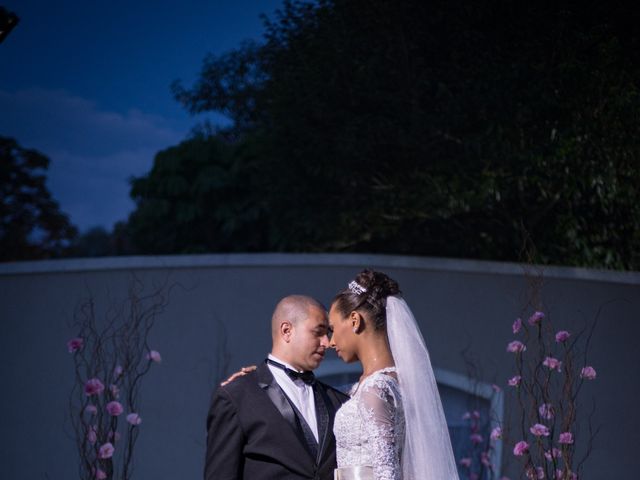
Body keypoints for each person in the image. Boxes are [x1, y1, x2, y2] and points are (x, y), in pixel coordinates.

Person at [329, 270, 459, 480]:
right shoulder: (393, 382)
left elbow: (387, 472)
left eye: (333, 329)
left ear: (355, 320)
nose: (331, 341)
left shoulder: (375, 389)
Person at [204, 295, 349, 480]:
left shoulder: (339, 400)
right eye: (318, 332)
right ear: (287, 330)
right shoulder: (236, 396)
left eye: (327, 334)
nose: (326, 343)